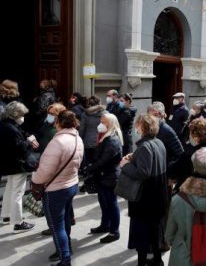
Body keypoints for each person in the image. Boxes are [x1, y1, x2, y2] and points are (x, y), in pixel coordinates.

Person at [32, 110, 84, 266]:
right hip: (71, 184)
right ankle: (67, 249)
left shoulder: (58, 142)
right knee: (65, 222)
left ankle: (65, 259)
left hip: (56, 190)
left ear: (59, 123)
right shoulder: (77, 138)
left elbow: (44, 171)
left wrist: (34, 179)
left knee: (57, 227)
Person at [120, 114, 168, 266]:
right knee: (155, 229)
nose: (136, 128)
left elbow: (143, 172)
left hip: (146, 197)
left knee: (143, 231)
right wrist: (134, 158)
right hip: (158, 193)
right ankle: (157, 259)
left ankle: (142, 262)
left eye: (137, 125)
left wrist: (125, 165)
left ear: (141, 127)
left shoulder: (144, 147)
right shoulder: (158, 142)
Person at [0, 101, 37, 232]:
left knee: (10, 189)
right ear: (15, 114)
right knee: (18, 192)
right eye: (21, 114)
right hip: (17, 164)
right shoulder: (11, 128)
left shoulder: (5, 125)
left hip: (8, 163)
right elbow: (19, 148)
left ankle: (6, 215)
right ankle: (18, 222)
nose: (23, 117)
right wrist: (28, 142)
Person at [86, 113, 123, 243]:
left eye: (104, 122)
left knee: (111, 204)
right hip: (103, 176)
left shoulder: (112, 139)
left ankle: (114, 232)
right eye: (101, 121)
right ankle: (105, 225)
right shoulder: (104, 137)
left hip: (110, 177)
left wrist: (89, 168)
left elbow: (103, 160)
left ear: (111, 124)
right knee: (104, 203)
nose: (100, 124)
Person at [168, 118, 206, 192]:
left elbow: (172, 171)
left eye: (190, 133)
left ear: (196, 137)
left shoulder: (190, 155)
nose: (189, 136)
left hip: (190, 196)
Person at [148, 101, 184, 169]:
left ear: (162, 115)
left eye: (155, 115)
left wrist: (168, 168)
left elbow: (180, 154)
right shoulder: (152, 128)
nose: (152, 118)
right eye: (150, 115)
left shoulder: (167, 130)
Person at [79, 96, 107, 168]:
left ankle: (89, 175)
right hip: (102, 140)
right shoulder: (106, 113)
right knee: (99, 161)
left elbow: (82, 129)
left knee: (88, 161)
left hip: (88, 142)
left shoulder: (85, 114)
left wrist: (80, 140)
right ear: (99, 103)